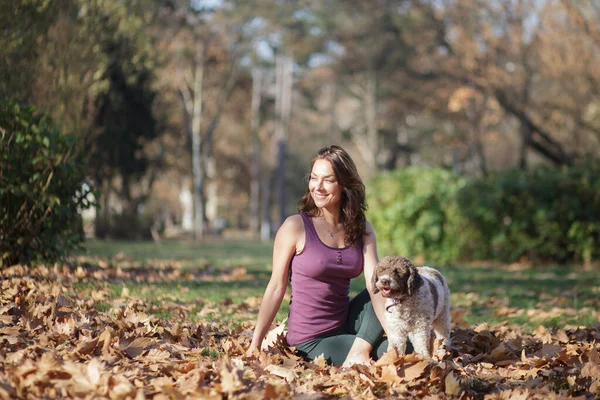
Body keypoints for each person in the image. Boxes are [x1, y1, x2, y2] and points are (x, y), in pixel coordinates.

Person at [245, 145, 391, 367]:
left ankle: (360, 349)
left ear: (344, 184)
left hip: (347, 322)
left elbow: (375, 285)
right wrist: (255, 343)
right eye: (314, 178)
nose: (318, 187)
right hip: (310, 341)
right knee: (386, 352)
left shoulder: (361, 228)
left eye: (328, 180)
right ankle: (361, 349)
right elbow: (276, 286)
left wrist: (393, 335)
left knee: (390, 288)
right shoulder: (295, 227)